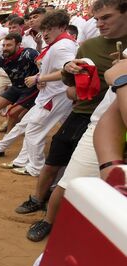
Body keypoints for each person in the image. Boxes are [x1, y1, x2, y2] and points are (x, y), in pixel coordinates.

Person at [22, 0, 127, 241]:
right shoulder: (89, 46)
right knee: (67, 174)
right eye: (97, 19)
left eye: (107, 18)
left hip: (105, 119)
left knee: (109, 187)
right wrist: (70, 71)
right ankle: (47, 218)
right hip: (89, 116)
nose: (99, 24)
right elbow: (72, 84)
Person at [0, 10, 79, 177]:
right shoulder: (59, 44)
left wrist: (39, 78)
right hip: (50, 94)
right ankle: (21, 161)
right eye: (44, 29)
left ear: (62, 27)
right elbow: (58, 69)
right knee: (26, 125)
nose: (45, 33)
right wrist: (41, 77)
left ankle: (35, 168)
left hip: (55, 96)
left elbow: (68, 69)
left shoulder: (62, 46)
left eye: (50, 29)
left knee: (34, 130)